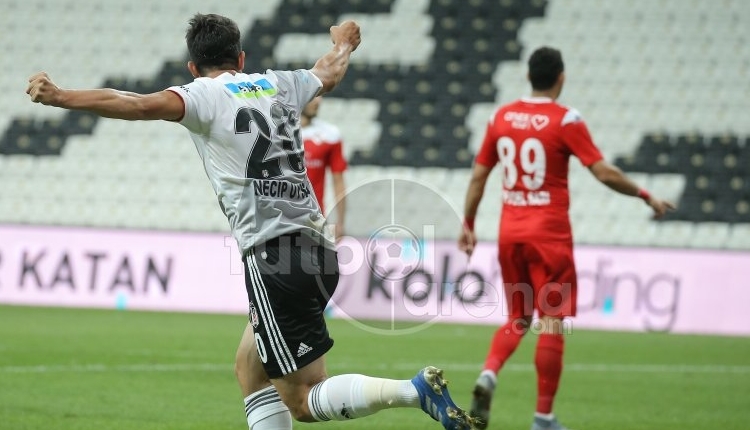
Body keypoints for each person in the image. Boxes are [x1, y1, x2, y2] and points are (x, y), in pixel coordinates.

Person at [27, 13, 478, 430]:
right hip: (319, 250)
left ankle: (412, 391)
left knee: (302, 399)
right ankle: (410, 391)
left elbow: (138, 104)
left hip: (274, 256)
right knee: (249, 369)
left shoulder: (201, 95)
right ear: (241, 59)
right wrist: (343, 42)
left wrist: (62, 96)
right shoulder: (278, 84)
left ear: (191, 68)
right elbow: (329, 71)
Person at [458, 46, 675, 430]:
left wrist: (469, 225)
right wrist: (645, 195)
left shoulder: (500, 117)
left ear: (528, 77)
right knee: (552, 322)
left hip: (511, 235)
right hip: (550, 237)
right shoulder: (566, 120)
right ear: (561, 78)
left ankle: (489, 372)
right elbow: (604, 173)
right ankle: (543, 417)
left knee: (519, 317)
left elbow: (478, 177)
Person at [300, 96, 348, 241]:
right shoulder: (276, 133)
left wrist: (340, 221)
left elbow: (338, 181)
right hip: (278, 221)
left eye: (320, 96)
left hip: (314, 222)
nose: (318, 101)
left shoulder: (330, 135)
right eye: (313, 95)